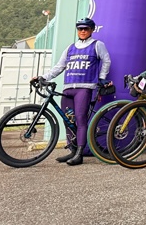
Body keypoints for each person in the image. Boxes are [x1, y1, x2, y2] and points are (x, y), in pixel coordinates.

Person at [32, 17, 111, 166]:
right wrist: (43, 77)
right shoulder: (70, 48)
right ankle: (72, 150)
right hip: (68, 88)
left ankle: (80, 154)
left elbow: (106, 60)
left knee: (80, 119)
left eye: (86, 28)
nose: (82, 31)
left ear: (91, 30)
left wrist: (102, 78)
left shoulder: (97, 45)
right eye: (80, 29)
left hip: (85, 88)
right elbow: (59, 66)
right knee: (67, 119)